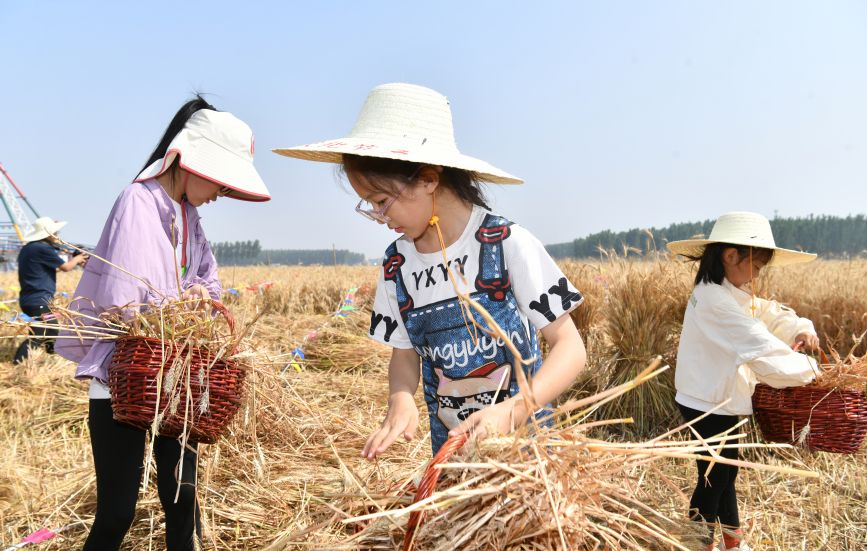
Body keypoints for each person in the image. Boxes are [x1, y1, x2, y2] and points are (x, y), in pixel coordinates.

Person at [274, 83, 587, 457]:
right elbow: (404, 355)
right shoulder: (397, 267)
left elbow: (571, 348)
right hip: (451, 462)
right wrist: (401, 398)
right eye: (369, 206)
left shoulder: (505, 244)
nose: (378, 217)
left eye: (380, 201)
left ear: (428, 177)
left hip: (525, 462)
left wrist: (511, 411)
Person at [55, 96, 270, 551]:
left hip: (178, 379)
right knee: (117, 512)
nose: (220, 196)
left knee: (182, 503)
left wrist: (198, 299)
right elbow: (126, 300)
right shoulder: (138, 200)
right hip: (127, 377)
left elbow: (210, 283)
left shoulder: (189, 217)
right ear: (190, 164)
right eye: (221, 184)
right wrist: (183, 303)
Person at [667, 211, 819, 551]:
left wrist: (801, 327)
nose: (758, 275)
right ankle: (697, 543)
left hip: (716, 397)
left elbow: (765, 312)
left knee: (725, 473)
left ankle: (732, 542)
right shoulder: (713, 301)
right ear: (731, 256)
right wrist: (815, 371)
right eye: (758, 265)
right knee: (714, 477)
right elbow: (762, 350)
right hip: (707, 403)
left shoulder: (725, 292)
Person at [13, 217, 87, 364]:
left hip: (29, 300)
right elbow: (65, 268)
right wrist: (78, 258)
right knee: (41, 333)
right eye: (55, 232)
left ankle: (51, 360)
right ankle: (17, 363)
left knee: (51, 332)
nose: (57, 235)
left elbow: (47, 271)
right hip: (39, 300)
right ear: (48, 234)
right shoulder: (42, 248)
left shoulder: (28, 248)